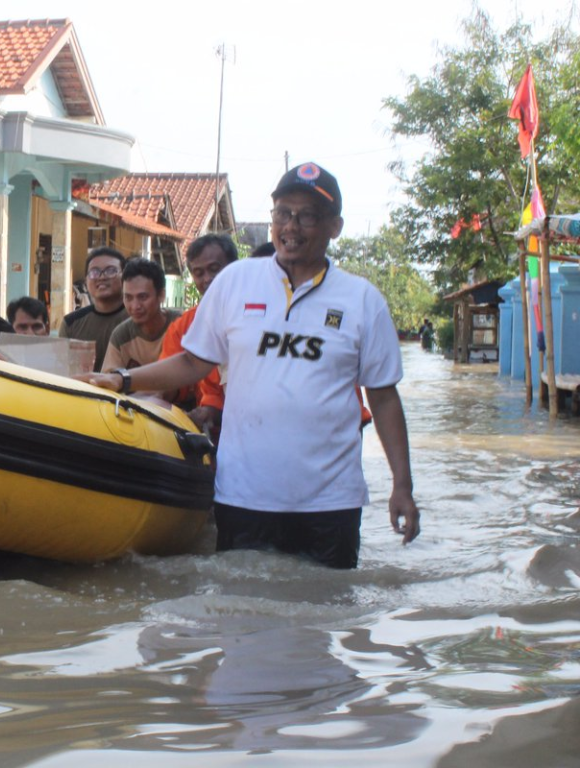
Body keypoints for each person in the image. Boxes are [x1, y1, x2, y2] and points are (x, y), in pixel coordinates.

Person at [79, 162, 420, 569]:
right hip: (244, 496)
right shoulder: (235, 282)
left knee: (326, 615)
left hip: (331, 501)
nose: (291, 226)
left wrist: (402, 485)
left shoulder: (362, 301)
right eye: (282, 213)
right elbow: (191, 362)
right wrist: (121, 380)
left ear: (334, 226)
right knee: (240, 615)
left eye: (307, 215)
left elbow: (382, 399)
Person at [159, 235, 237, 437]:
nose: (207, 279)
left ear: (234, 268)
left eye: (214, 269)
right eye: (198, 273)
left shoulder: (254, 318)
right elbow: (169, 381)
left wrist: (215, 411)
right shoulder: (184, 325)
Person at [101, 257, 180, 372]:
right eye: (128, 297)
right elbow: (109, 382)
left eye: (142, 297)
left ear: (161, 295)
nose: (135, 306)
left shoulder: (181, 326)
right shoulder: (121, 336)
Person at [59, 247, 128, 372]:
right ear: (86, 280)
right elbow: (62, 369)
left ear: (124, 276)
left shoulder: (137, 318)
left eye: (111, 270)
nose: (101, 277)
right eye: (94, 272)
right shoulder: (71, 323)